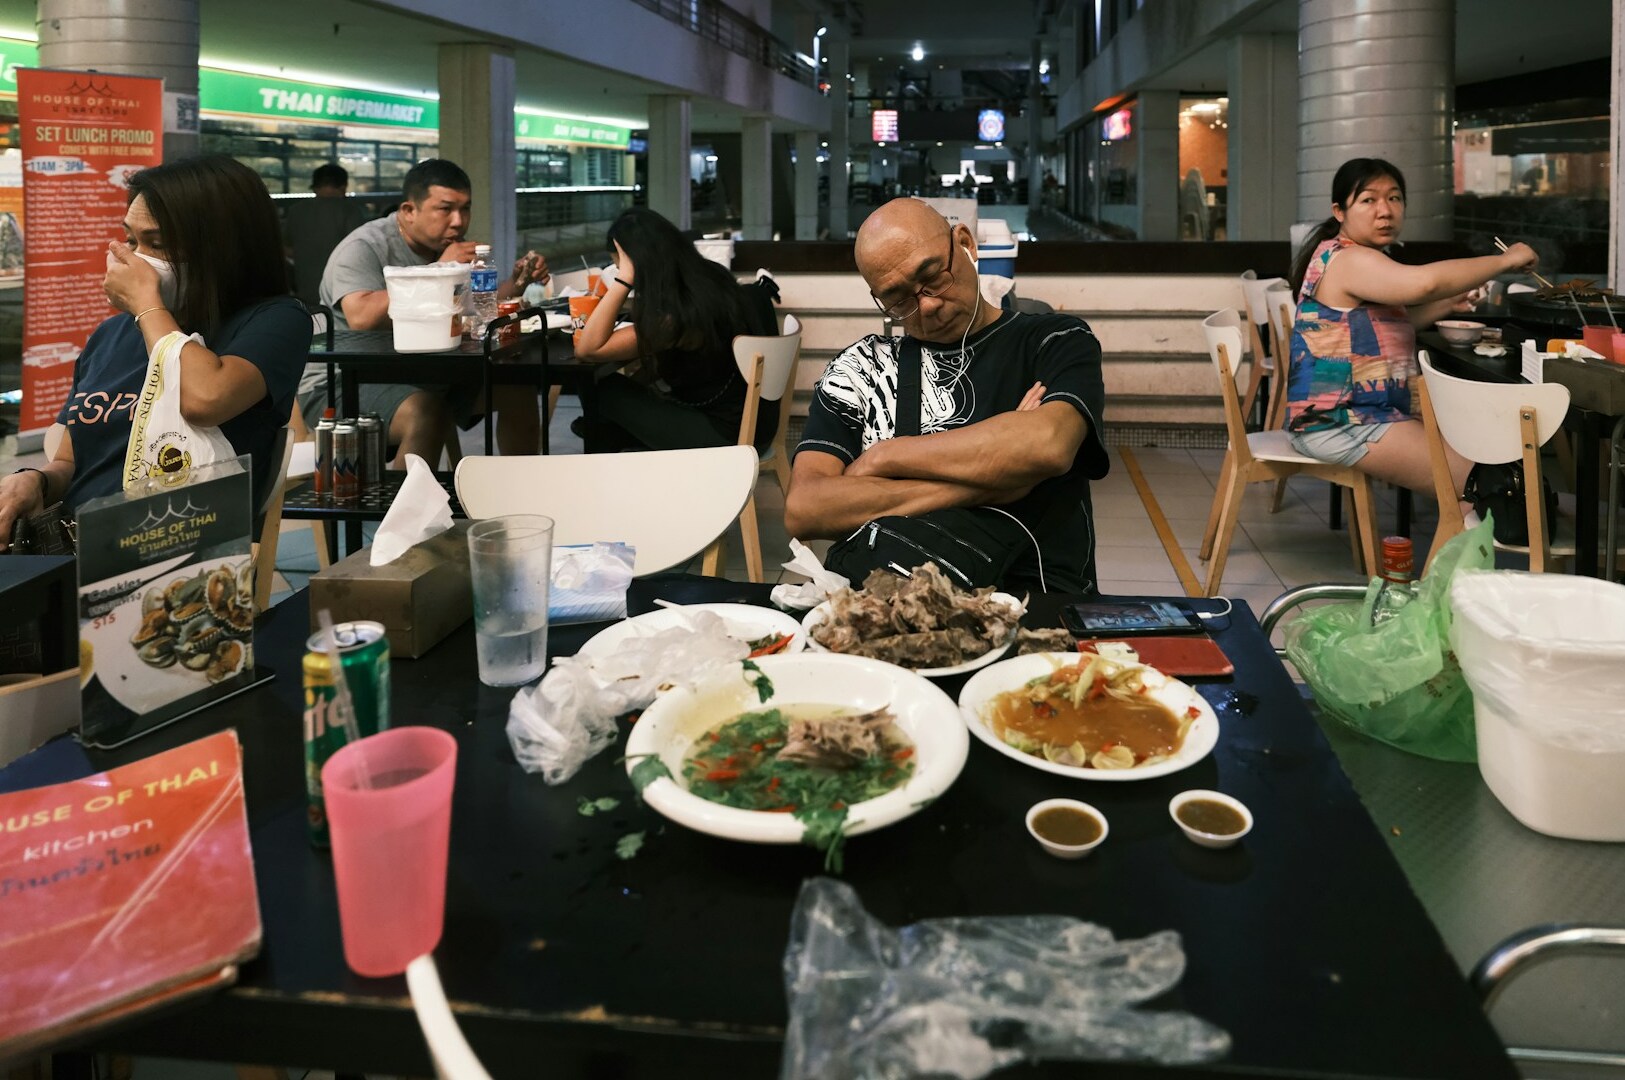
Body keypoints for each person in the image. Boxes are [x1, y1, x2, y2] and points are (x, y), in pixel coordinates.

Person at [784, 198, 1108, 594]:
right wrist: (989, 485)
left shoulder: (1054, 340)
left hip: (1035, 600)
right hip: (889, 607)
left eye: (934, 276)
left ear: (966, 244)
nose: (929, 304)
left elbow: (1048, 444)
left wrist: (885, 457)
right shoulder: (861, 369)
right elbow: (805, 508)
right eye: (900, 299)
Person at [0, 155, 308, 549]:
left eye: (156, 244)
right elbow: (71, 464)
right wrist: (35, 480)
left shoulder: (273, 320)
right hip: (79, 550)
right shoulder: (111, 335)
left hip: (179, 554)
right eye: (131, 240)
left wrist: (147, 305)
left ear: (223, 249)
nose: (135, 258)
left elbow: (203, 399)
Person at [1285, 157, 1539, 505]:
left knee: (1493, 472)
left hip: (1362, 414)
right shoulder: (1349, 259)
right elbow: (1424, 283)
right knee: (1497, 485)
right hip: (1344, 423)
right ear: (1339, 211)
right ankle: (1466, 552)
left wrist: (1447, 306)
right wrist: (1506, 260)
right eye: (1368, 200)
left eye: (1394, 198)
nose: (1385, 211)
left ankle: (1461, 550)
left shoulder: (1352, 256)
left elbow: (1385, 327)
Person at [302, 158, 551, 463]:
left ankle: (521, 495)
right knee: (428, 413)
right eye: (445, 209)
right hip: (342, 382)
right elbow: (362, 318)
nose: (459, 221)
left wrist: (516, 282)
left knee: (517, 387)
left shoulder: (446, 246)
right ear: (409, 211)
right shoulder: (363, 247)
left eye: (465, 208)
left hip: (424, 371)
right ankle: (407, 511)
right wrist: (441, 268)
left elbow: (475, 305)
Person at [573, 207, 779, 453]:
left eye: (621, 265)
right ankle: (614, 444)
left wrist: (624, 280)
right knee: (611, 413)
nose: (620, 271)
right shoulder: (710, 279)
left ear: (639, 264)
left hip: (725, 435)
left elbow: (588, 349)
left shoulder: (675, 317)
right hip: (755, 425)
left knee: (602, 391)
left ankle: (609, 466)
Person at [282, 162, 368, 306]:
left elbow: (287, 249)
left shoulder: (296, 211)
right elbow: (361, 252)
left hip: (305, 295)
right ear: (343, 187)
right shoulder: (351, 211)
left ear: (315, 187)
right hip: (340, 295)